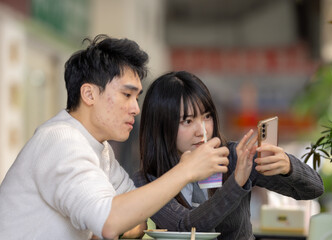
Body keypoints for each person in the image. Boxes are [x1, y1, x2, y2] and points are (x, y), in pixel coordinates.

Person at [0, 36, 230, 240]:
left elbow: (136, 217)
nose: (135, 109)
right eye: (126, 95)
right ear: (89, 94)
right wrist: (185, 171)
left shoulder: (101, 150)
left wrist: (114, 224)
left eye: (136, 98)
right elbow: (111, 222)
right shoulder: (62, 142)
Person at [133, 71, 324, 240]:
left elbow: (314, 189)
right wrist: (236, 184)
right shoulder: (148, 180)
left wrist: (289, 167)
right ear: (161, 125)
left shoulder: (234, 157)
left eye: (207, 116)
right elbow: (186, 226)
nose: (202, 130)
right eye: (188, 121)